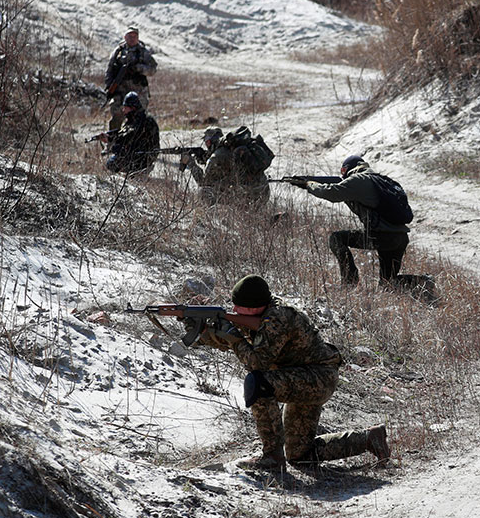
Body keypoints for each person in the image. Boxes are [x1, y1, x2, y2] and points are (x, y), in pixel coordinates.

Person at [187, 274, 391, 470]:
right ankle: (368, 439)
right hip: (299, 378)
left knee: (259, 383)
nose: (233, 309)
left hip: (317, 379)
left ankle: (272, 458)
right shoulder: (260, 314)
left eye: (238, 307)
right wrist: (202, 331)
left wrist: (234, 337)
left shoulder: (278, 317)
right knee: (299, 455)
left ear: (254, 307)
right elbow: (229, 341)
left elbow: (257, 363)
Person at [289, 155, 430, 294]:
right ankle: (424, 282)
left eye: (343, 171)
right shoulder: (382, 180)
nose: (343, 176)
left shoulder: (359, 180)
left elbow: (331, 193)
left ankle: (349, 282)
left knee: (337, 238)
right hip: (400, 238)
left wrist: (308, 184)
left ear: (347, 169)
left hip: (381, 236)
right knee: (388, 284)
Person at [180, 125, 271, 206]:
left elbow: (203, 182)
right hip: (264, 195)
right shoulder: (234, 148)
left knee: (204, 191)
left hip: (247, 200)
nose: (206, 145)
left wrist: (191, 163)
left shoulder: (216, 156)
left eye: (206, 142)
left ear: (210, 142)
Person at [104, 26, 157, 130]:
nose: (132, 38)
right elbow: (109, 70)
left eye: (135, 36)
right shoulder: (118, 52)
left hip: (139, 92)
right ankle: (114, 142)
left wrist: (138, 68)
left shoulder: (143, 52)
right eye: (130, 36)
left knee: (139, 119)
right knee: (116, 118)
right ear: (125, 37)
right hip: (120, 91)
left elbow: (153, 69)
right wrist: (109, 86)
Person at [98, 92, 160, 174]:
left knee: (111, 163)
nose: (123, 110)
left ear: (132, 108)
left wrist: (111, 142)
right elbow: (124, 133)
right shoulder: (136, 118)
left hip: (142, 156)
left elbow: (129, 138)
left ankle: (137, 172)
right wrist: (110, 136)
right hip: (141, 155)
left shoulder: (143, 121)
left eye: (125, 108)